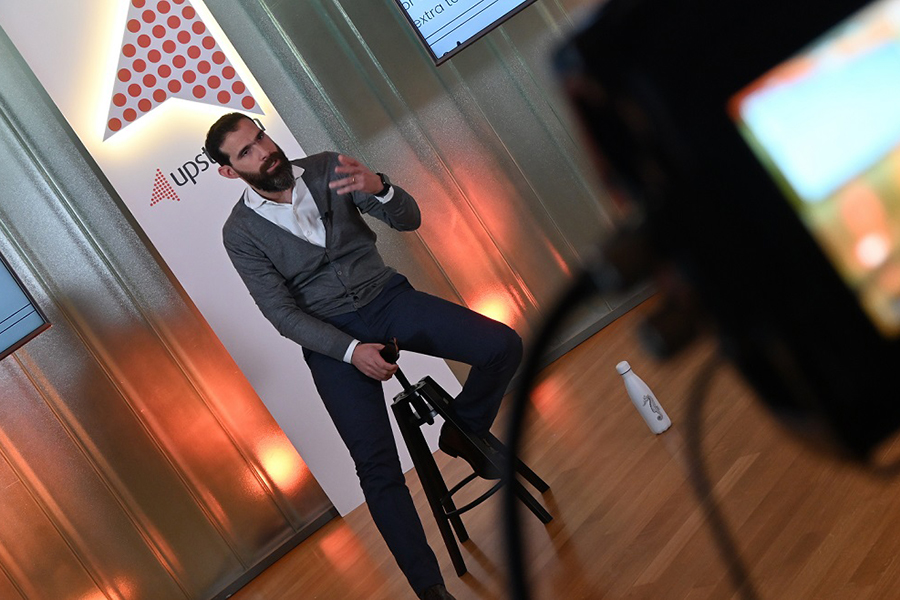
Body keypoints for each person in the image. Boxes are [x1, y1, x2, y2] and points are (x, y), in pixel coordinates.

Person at [205, 113, 523, 600]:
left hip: (387, 299)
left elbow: (409, 219)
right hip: (331, 338)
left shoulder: (328, 168)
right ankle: (431, 589)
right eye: (246, 152)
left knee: (502, 345)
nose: (265, 151)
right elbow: (282, 315)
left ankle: (463, 429)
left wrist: (382, 188)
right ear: (229, 172)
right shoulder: (240, 233)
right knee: (376, 467)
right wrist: (351, 352)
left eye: (261, 137)